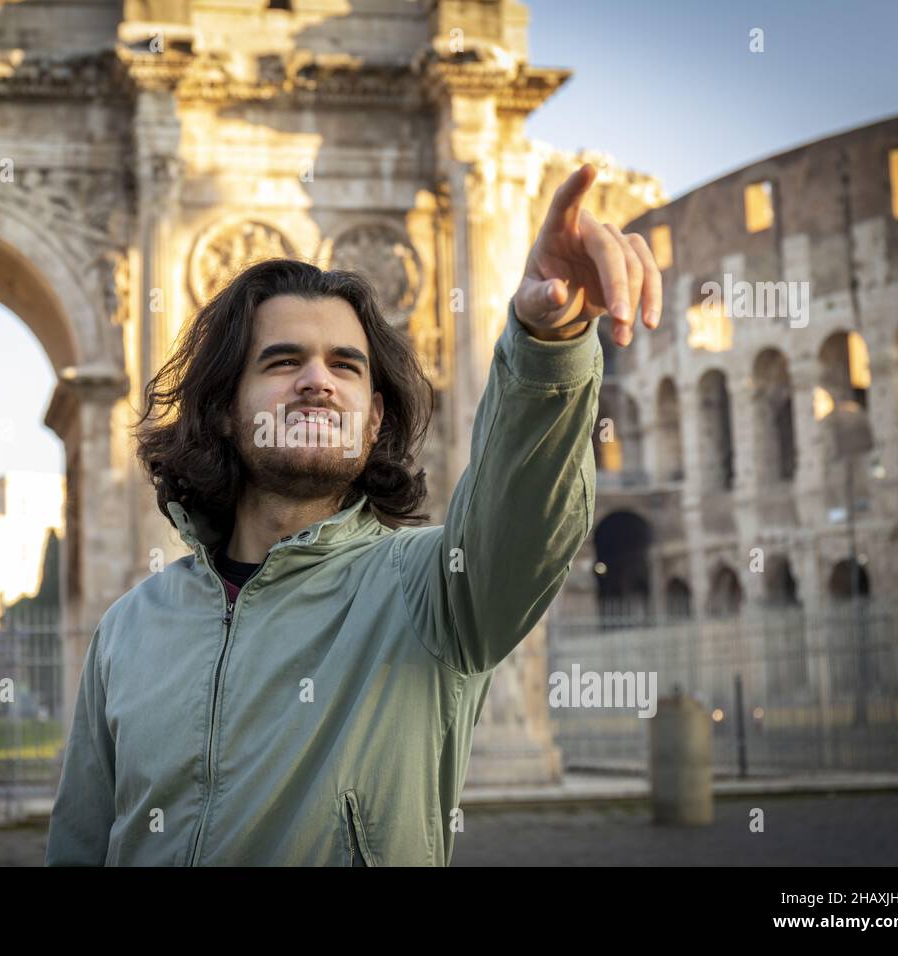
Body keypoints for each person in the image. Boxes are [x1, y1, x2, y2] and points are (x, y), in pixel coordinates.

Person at [46, 163, 662, 865]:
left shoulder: (434, 592)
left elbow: (523, 512)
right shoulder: (128, 627)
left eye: (345, 365)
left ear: (373, 420)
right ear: (221, 410)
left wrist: (546, 342)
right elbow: (80, 845)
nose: (317, 381)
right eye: (282, 362)